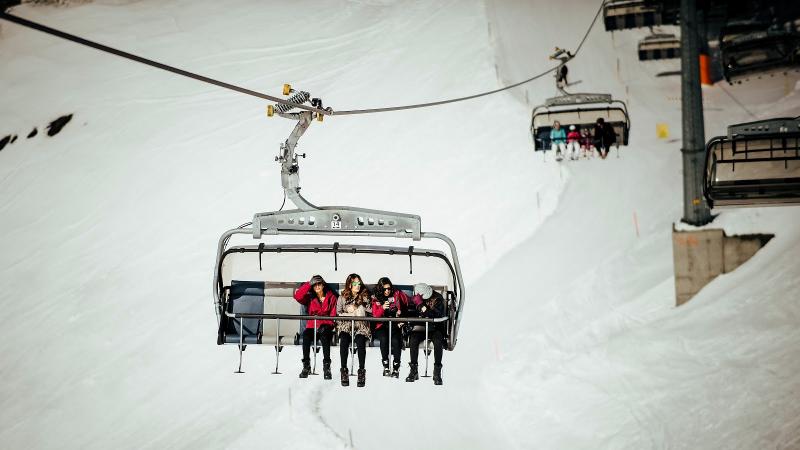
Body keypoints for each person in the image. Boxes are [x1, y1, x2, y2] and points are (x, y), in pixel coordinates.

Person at [293, 275, 337, 380]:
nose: (317, 286)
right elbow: (298, 296)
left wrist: (326, 324)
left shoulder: (331, 297)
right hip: (312, 325)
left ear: (323, 285)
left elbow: (333, 316)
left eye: (319, 284)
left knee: (325, 337)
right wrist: (308, 284)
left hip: (326, 326)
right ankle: (306, 365)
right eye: (315, 285)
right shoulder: (310, 298)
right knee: (306, 336)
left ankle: (327, 366)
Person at [405, 283, 447, 385]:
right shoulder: (417, 300)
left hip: (435, 327)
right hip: (422, 327)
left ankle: (437, 371)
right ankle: (413, 369)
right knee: (413, 340)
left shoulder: (438, 299)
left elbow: (436, 315)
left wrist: (422, 306)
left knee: (438, 342)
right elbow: (414, 313)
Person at [336, 273, 372, 387]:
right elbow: (338, 312)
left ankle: (361, 371)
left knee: (360, 340)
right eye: (355, 283)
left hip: (360, 324)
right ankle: (344, 370)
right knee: (344, 340)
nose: (358, 286)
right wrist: (348, 313)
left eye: (359, 283)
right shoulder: (342, 297)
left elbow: (371, 310)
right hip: (346, 324)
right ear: (350, 285)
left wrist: (360, 305)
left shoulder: (364, 297)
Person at [371, 277, 408, 378]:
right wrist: (382, 308)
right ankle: (385, 364)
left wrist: (400, 314)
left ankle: (396, 366)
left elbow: (405, 304)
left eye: (389, 289)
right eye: (384, 289)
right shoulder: (376, 298)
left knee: (396, 340)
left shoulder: (396, 294)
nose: (387, 291)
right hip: (381, 325)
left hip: (394, 323)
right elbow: (375, 315)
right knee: (384, 338)